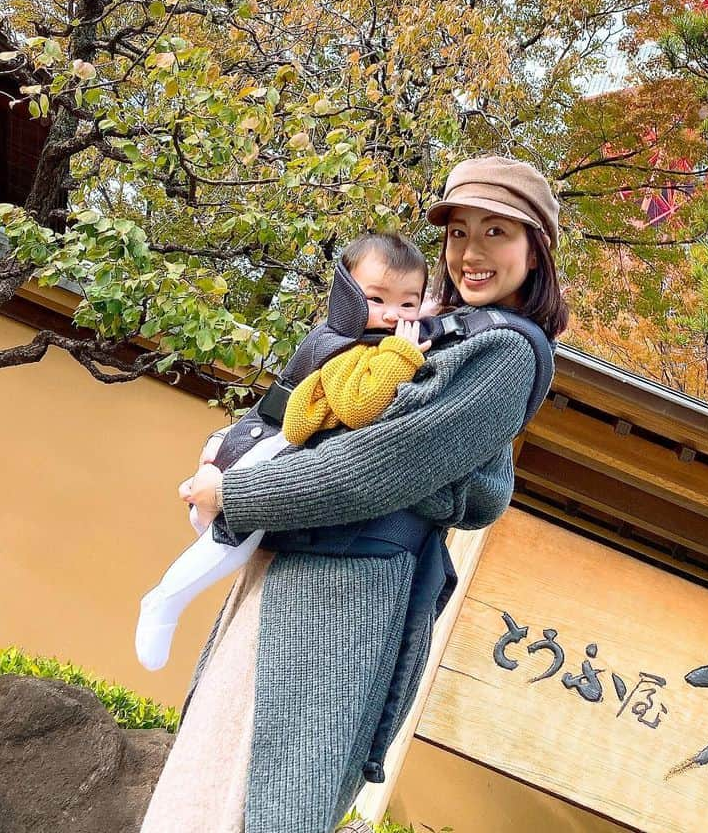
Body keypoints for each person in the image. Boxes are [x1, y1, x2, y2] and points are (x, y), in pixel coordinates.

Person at [140, 155, 568, 833]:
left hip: (346, 590)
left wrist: (237, 492)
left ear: (535, 250)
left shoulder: (507, 353)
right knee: (214, 772)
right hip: (298, 563)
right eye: (459, 233)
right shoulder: (436, 331)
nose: (471, 253)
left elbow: (378, 465)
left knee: (259, 796)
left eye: (496, 233)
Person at [135, 232, 431, 672]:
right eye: (376, 298)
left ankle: (191, 526)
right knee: (233, 540)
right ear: (347, 294)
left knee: (229, 536)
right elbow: (358, 404)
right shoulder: (354, 348)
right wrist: (401, 357)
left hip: (263, 438)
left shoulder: (347, 338)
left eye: (409, 304)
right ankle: (163, 602)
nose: (393, 315)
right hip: (272, 451)